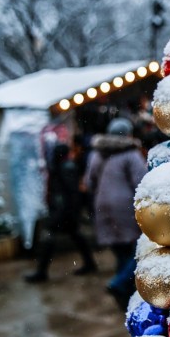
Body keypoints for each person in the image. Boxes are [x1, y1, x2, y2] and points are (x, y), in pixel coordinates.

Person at [84, 118, 147, 309]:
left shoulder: (96, 153)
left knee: (120, 251)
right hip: (124, 205)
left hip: (102, 205)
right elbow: (141, 182)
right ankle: (120, 283)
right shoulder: (130, 153)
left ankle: (124, 292)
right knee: (137, 250)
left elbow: (89, 182)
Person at [25, 143, 97, 282]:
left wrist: (65, 211)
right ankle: (89, 263)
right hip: (65, 211)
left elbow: (70, 193)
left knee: (50, 238)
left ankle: (42, 271)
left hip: (63, 212)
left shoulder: (66, 167)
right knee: (76, 236)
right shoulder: (65, 166)